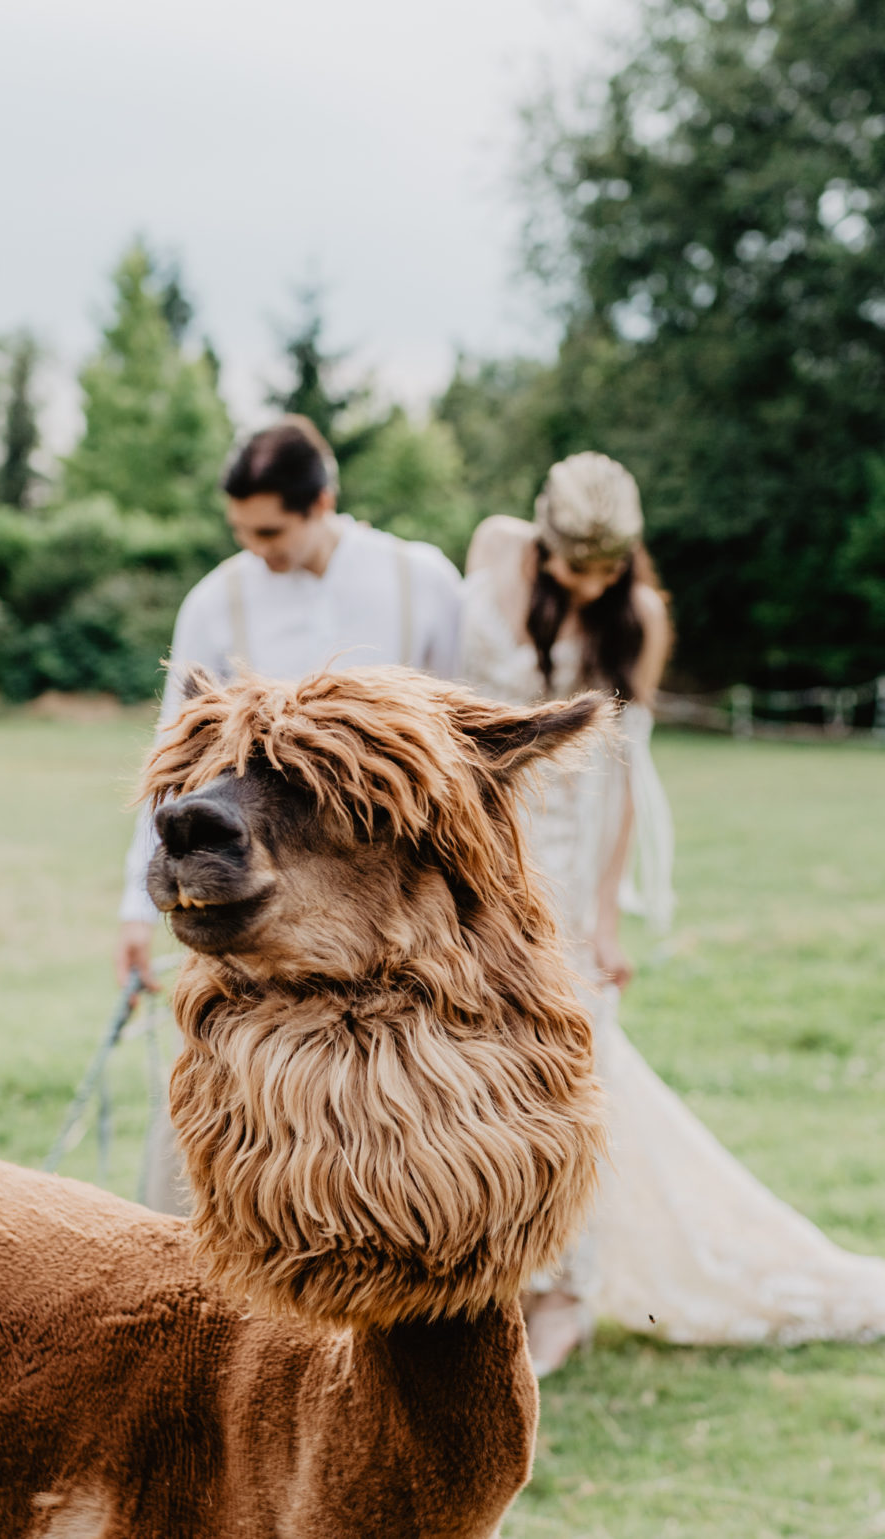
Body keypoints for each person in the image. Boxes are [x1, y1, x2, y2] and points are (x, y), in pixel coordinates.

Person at [460, 450, 885, 1373]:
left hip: (562, 854)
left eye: (611, 566)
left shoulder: (638, 618)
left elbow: (623, 776)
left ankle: (565, 1288)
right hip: (472, 841)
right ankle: (486, 1268)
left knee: (572, 1061)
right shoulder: (492, 550)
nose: (596, 583)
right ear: (542, 534)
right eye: (580, 565)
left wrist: (603, 917)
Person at [117, 415, 463, 1209]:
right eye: (241, 531)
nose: (256, 548)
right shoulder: (216, 599)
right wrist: (137, 908)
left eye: (269, 530)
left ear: (323, 503)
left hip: (379, 908)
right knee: (225, 1074)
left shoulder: (424, 582)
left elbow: (460, 745)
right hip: (246, 883)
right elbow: (173, 764)